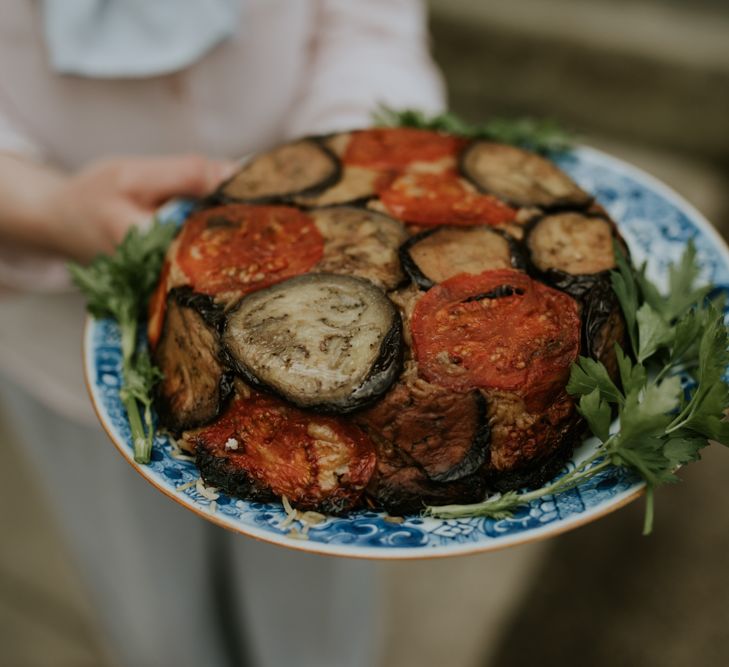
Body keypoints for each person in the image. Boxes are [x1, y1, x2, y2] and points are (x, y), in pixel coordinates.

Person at [0, 2, 444, 665]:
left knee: (316, 628)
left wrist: (340, 177)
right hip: (68, 338)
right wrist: (45, 207)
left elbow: (366, 27)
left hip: (326, 336)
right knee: (154, 620)